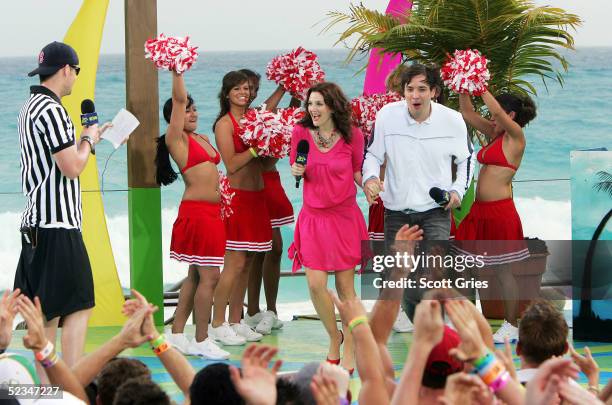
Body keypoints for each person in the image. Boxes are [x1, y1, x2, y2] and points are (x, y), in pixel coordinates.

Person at [14, 41, 110, 374]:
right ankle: (71, 381)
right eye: (75, 72)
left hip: (36, 225)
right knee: (80, 305)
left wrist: (87, 138)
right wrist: (89, 139)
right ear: (67, 69)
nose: (74, 79)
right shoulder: (52, 110)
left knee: (47, 314)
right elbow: (72, 166)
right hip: (57, 226)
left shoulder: (29, 106)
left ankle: (48, 391)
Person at [362, 64, 475, 321]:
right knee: (400, 277)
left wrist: (457, 191)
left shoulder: (452, 120)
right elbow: (373, 155)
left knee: (432, 275)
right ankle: (421, 330)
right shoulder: (387, 116)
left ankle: (433, 333)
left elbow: (467, 159)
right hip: (397, 213)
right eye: (410, 89)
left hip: (435, 212)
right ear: (402, 91)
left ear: (434, 91)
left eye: (422, 89)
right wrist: (370, 179)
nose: (415, 95)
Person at [289, 82, 367, 373]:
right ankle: (335, 337)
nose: (313, 109)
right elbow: (296, 163)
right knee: (315, 284)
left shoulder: (353, 136)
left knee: (345, 289)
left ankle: (349, 351)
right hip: (313, 218)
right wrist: (296, 170)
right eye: (310, 104)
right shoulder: (300, 133)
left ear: (333, 106)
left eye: (319, 104)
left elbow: (358, 171)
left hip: (344, 217)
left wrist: (370, 186)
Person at [154, 71, 229, 359]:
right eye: (186, 110)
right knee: (210, 277)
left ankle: (175, 335)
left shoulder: (200, 137)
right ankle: (201, 340)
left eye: (195, 108)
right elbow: (178, 97)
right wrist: (177, 70)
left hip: (213, 214)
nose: (192, 112)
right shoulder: (177, 140)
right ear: (175, 116)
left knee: (195, 277)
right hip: (197, 215)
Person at [456, 89, 536, 342]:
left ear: (510, 115)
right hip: (478, 212)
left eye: (496, 112)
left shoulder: (516, 138)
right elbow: (467, 112)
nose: (490, 116)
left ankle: (511, 325)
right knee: (463, 265)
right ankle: (467, 320)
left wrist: (481, 87)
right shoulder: (494, 134)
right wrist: (463, 86)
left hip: (500, 212)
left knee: (503, 271)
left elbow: (498, 112)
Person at [210, 71, 271, 345]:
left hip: (258, 197)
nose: (243, 93)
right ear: (227, 93)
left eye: (246, 88)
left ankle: (237, 320)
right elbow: (232, 164)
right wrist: (257, 148)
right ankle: (216, 323)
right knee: (233, 263)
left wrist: (272, 148)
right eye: (237, 89)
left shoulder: (254, 120)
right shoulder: (224, 124)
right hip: (236, 199)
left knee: (247, 263)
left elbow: (265, 164)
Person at [238, 69, 298, 335]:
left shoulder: (261, 115)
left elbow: (285, 121)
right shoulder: (244, 117)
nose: (249, 92)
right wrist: (284, 86)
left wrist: (296, 95)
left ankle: (270, 310)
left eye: (253, 88)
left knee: (274, 248)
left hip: (271, 182)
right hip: (252, 186)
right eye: (246, 87)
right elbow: (265, 113)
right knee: (255, 249)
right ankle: (252, 311)